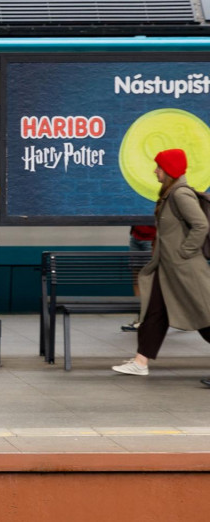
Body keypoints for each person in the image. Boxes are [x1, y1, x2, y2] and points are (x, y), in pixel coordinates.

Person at [112, 149, 210, 379]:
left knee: (205, 317)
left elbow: (201, 225)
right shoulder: (170, 194)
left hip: (185, 270)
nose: (155, 170)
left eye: (159, 167)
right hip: (168, 269)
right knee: (154, 313)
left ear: (169, 171)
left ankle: (140, 361)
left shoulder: (180, 195)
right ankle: (140, 361)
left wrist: (184, 252)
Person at [121, 224, 156, 332]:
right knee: (136, 278)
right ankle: (140, 317)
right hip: (136, 237)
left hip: (153, 238)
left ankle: (149, 318)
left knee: (150, 280)